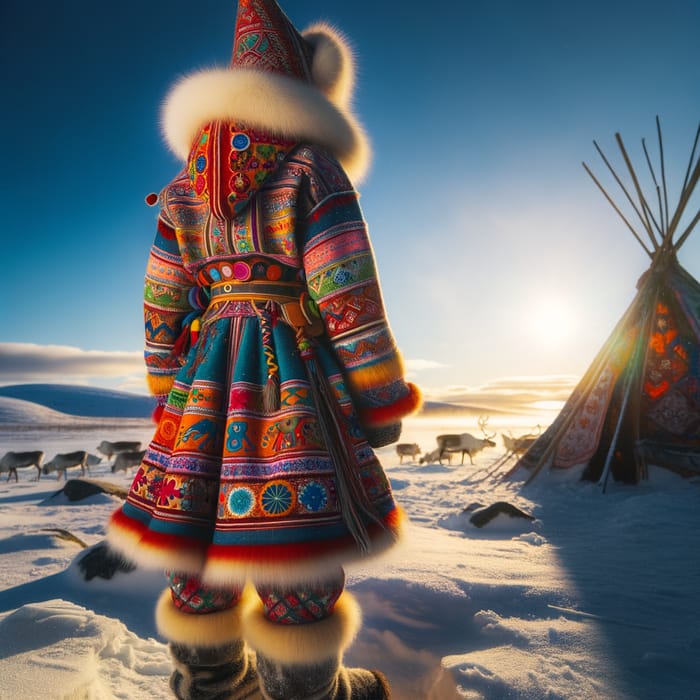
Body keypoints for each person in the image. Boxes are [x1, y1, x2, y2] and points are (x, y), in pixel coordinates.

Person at [106, 1, 421, 697]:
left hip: (204, 383)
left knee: (195, 527)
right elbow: (346, 292)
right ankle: (308, 689)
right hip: (289, 375)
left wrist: (170, 392)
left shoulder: (184, 185)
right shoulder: (311, 167)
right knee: (291, 529)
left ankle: (211, 682)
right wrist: (377, 396)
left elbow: (163, 304)